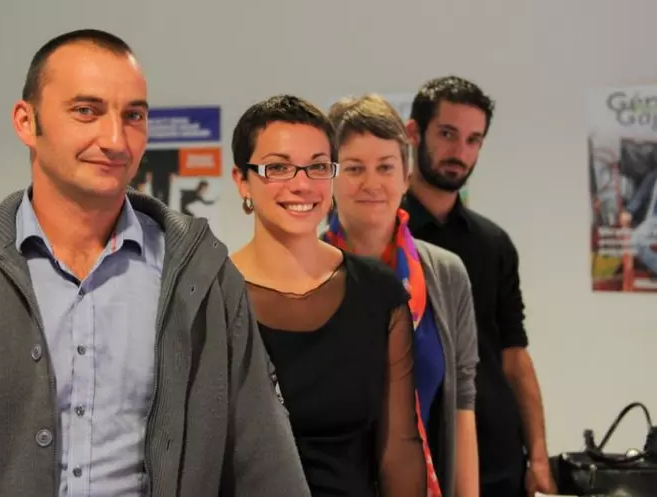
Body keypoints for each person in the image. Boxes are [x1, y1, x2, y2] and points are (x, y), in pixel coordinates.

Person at [0, 29, 310, 497]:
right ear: (26, 121)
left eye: (133, 115)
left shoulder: (203, 277)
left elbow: (265, 463)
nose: (115, 138)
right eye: (87, 111)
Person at [229, 94, 427, 497]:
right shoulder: (211, 293)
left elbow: (400, 448)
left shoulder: (377, 292)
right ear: (242, 181)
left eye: (318, 166)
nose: (301, 184)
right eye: (278, 167)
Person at [400, 75, 556, 497]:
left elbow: (514, 354)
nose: (460, 152)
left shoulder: (494, 243)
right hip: (412, 455)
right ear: (413, 133)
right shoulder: (382, 235)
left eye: (474, 140)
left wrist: (538, 456)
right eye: (448, 134)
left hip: (497, 455)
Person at [324, 94, 480, 497]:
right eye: (355, 168)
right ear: (328, 177)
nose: (372, 183)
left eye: (386, 167)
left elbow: (463, 402)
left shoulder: (446, 274)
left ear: (406, 174)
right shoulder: (305, 274)